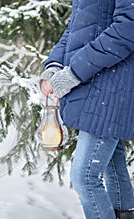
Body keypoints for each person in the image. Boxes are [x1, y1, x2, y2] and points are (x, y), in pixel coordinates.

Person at [39, 0, 134, 218]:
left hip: (112, 86)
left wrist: (74, 72)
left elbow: (127, 29)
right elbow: (75, 28)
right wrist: (54, 65)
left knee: (84, 176)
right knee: (113, 167)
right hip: (98, 82)